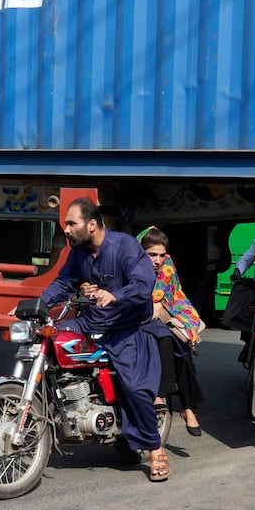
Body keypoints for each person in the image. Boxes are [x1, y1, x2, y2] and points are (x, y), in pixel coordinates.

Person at [40, 198, 170, 481]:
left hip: (127, 328)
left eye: (71, 224)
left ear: (92, 224)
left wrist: (116, 295)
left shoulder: (126, 247)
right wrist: (37, 304)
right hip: (91, 322)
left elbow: (142, 284)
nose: (67, 229)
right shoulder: (78, 254)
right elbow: (63, 283)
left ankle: (155, 448)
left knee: (135, 388)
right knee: (49, 343)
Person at [139, 227, 207, 437]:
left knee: (183, 355)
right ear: (141, 252)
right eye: (152, 255)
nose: (158, 260)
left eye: (161, 254)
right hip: (146, 319)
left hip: (172, 314)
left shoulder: (166, 266)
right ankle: (165, 397)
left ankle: (188, 408)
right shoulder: (131, 266)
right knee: (166, 342)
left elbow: (158, 295)